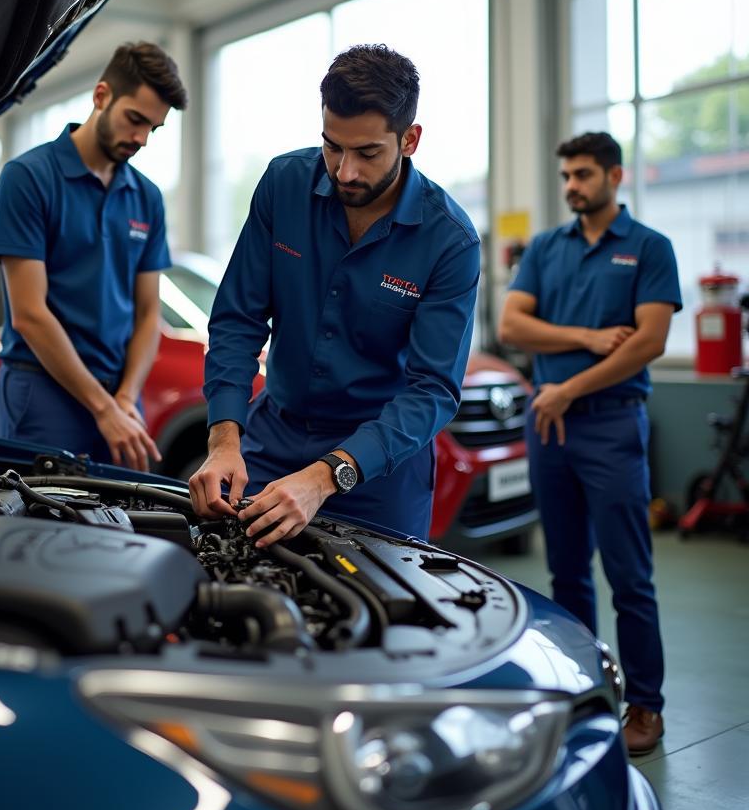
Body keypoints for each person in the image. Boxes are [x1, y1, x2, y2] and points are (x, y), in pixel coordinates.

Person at [189, 43, 480, 547]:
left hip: (380, 467)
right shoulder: (283, 184)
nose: (345, 171)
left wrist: (325, 477)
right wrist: (223, 441)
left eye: (367, 153)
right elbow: (237, 321)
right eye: (332, 146)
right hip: (272, 439)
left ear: (409, 139)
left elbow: (431, 389)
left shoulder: (449, 240)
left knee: (380, 613)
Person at [498, 131, 681, 757]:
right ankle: (582, 690)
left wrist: (566, 386)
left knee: (631, 576)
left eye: (583, 175)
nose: (572, 186)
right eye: (566, 176)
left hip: (610, 422)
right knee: (566, 573)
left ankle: (646, 707)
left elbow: (649, 341)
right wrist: (589, 336)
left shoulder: (650, 249)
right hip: (550, 425)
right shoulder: (548, 247)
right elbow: (511, 324)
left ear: (614, 176)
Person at [0, 41, 187, 470]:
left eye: (153, 128)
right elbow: (29, 313)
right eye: (135, 119)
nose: (141, 139)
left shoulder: (147, 197)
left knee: (116, 531)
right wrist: (105, 409)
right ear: (101, 96)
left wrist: (125, 398)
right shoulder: (27, 179)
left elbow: (149, 312)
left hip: (117, 394)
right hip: (42, 390)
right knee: (38, 533)